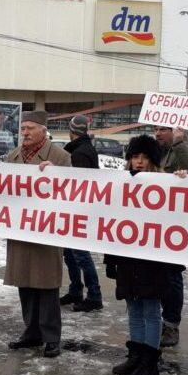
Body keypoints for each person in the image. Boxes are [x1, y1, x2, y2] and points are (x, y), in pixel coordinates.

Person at [105, 135, 183, 375]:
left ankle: (151, 360)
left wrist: (182, 181)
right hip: (128, 258)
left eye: (143, 158)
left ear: (153, 161)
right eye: (134, 157)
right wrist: (111, 260)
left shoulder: (167, 184)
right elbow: (111, 220)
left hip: (154, 260)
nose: (138, 162)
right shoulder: (121, 184)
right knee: (134, 309)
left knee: (150, 310)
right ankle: (136, 355)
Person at [4, 110, 72, 358]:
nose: (25, 133)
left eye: (30, 128)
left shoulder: (61, 157)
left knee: (46, 284)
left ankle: (51, 337)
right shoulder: (13, 156)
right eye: (23, 129)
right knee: (25, 281)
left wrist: (57, 174)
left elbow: (73, 191)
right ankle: (31, 331)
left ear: (44, 130)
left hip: (46, 230)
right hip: (20, 229)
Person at [154, 125, 188, 347]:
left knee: (172, 278)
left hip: (174, 228)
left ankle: (171, 325)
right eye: (156, 129)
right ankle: (155, 323)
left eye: (163, 129)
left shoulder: (181, 151)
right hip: (153, 224)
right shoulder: (156, 151)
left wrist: (180, 143)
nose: (158, 133)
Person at [59, 115, 103, 312]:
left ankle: (94, 295)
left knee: (81, 255)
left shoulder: (79, 154)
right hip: (76, 210)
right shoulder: (83, 149)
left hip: (78, 212)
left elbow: (79, 186)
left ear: (72, 131)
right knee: (69, 253)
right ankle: (75, 289)